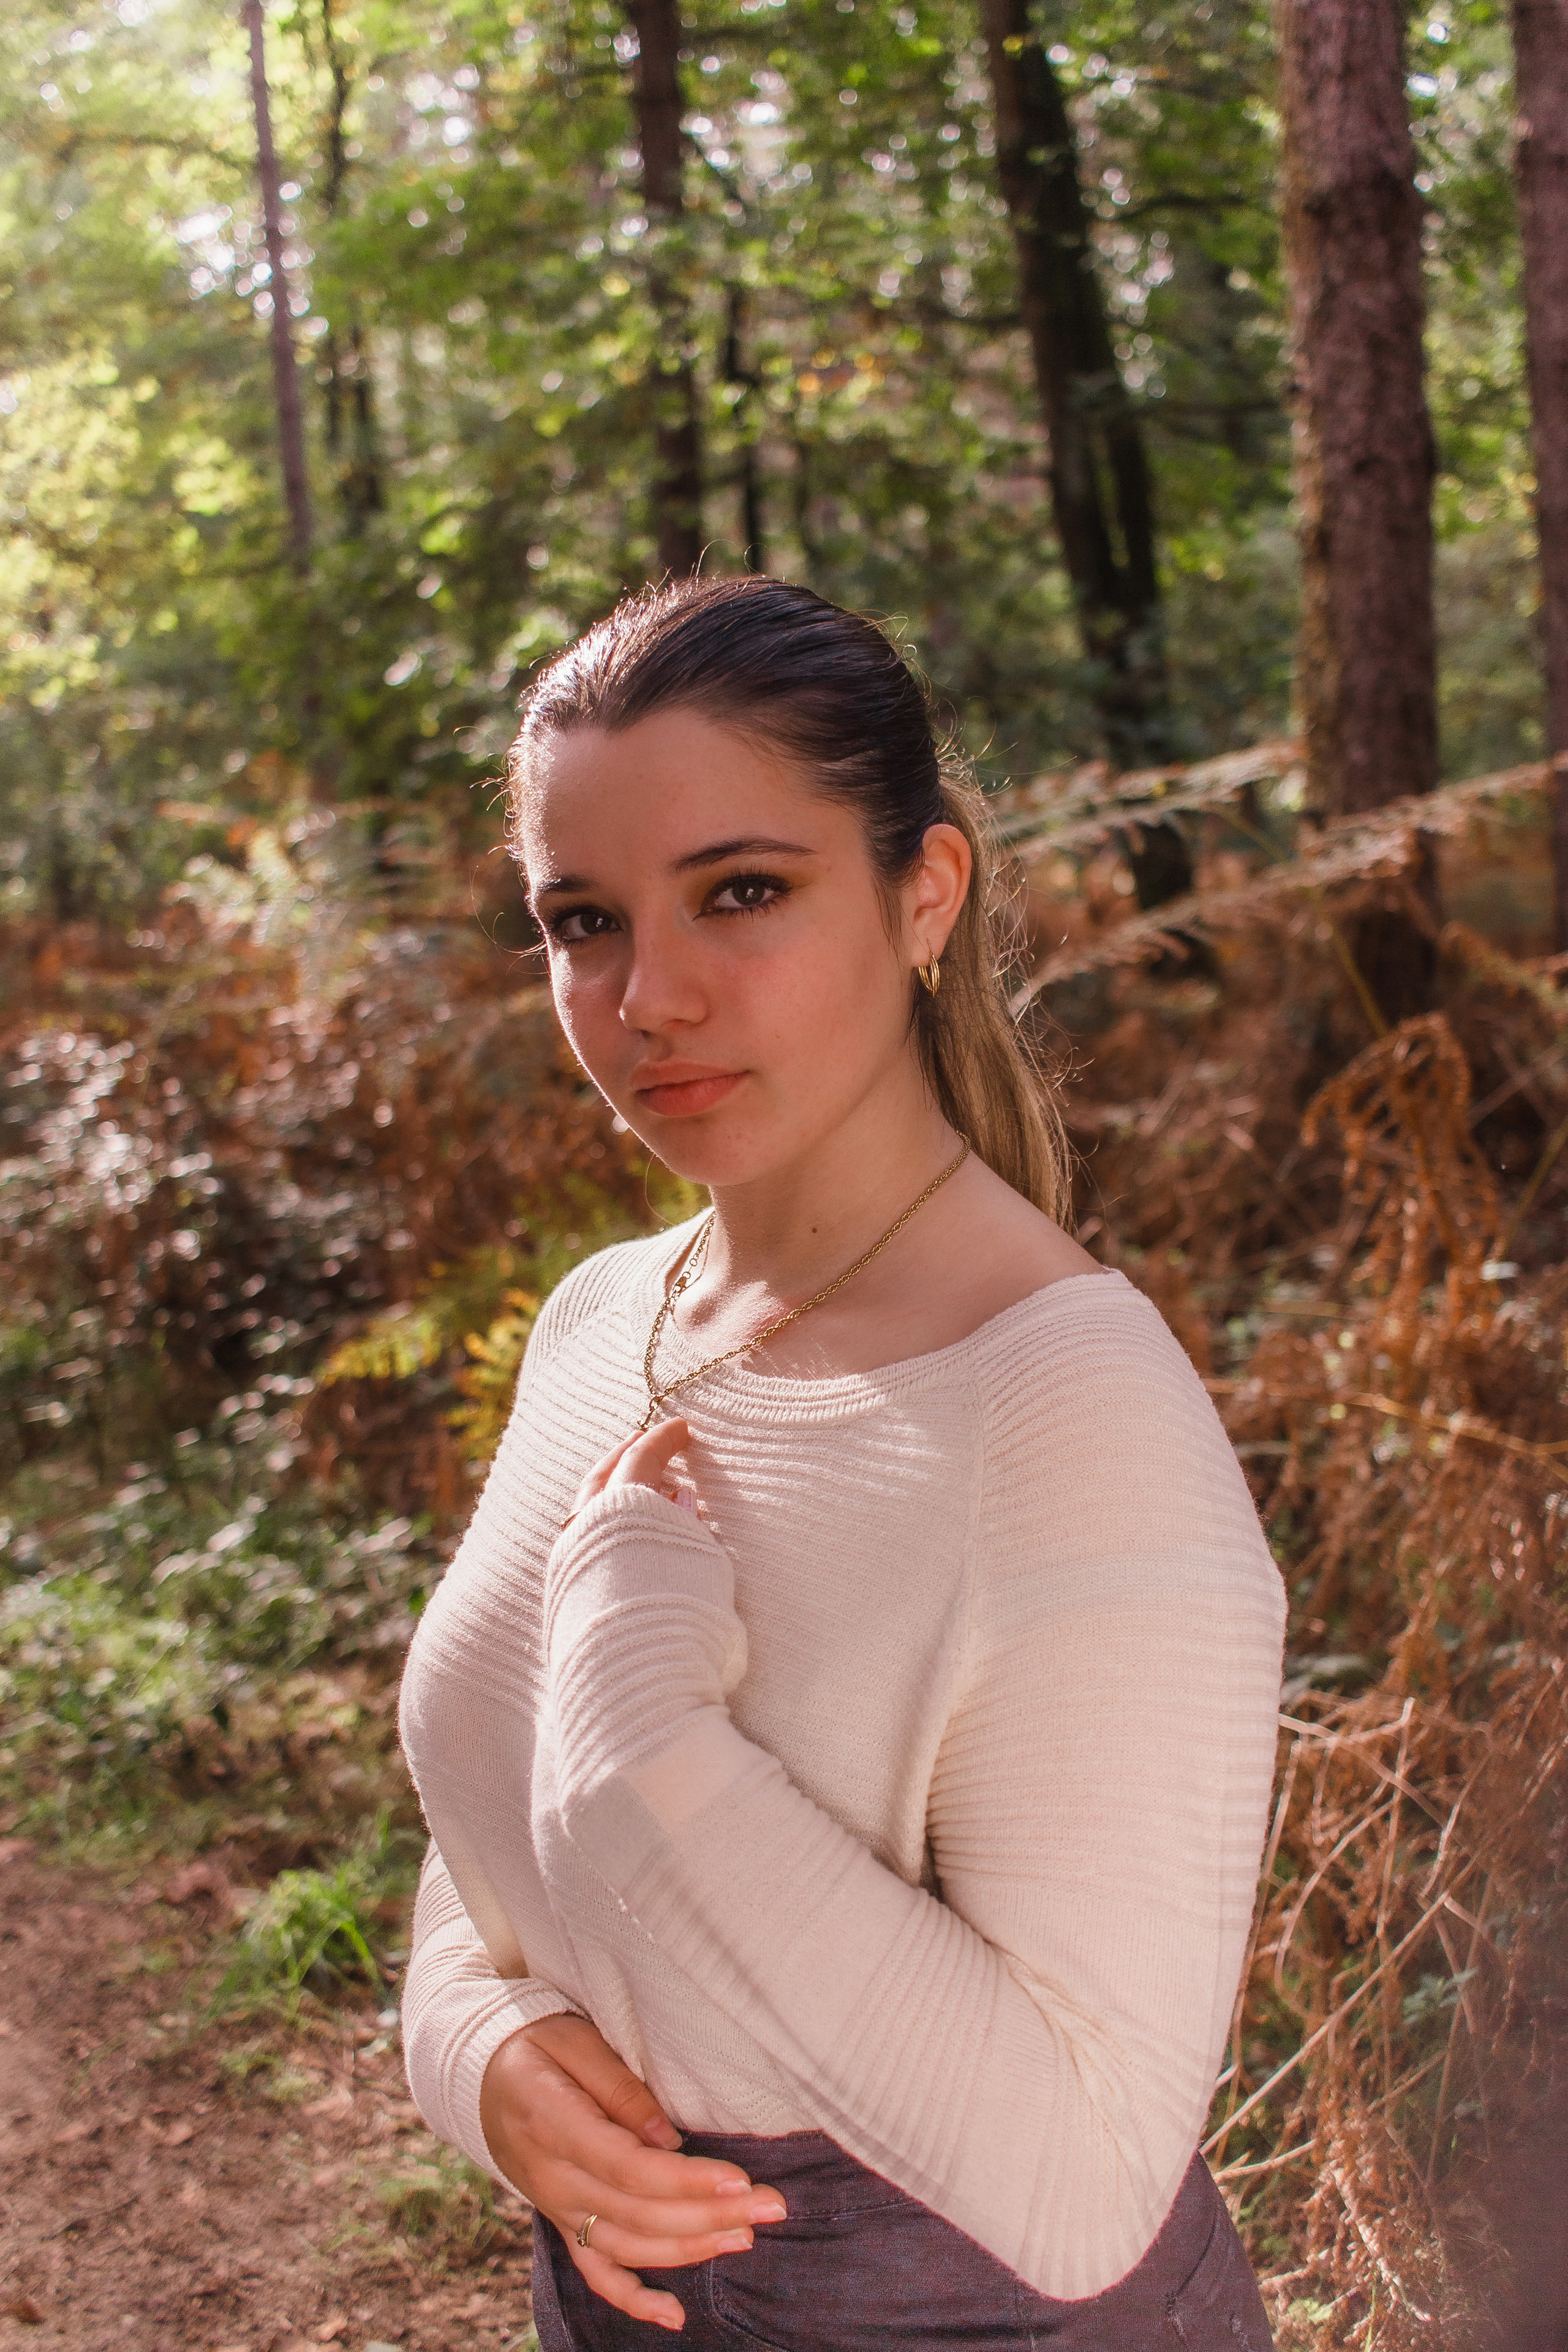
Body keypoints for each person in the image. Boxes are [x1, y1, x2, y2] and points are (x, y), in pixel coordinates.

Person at [398, 576, 1286, 2349]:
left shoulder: (1066, 1419)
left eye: (743, 892)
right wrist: (472, 2048)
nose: (649, 996)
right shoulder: (601, 1325)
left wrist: (639, 1731)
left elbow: (1083, 2181)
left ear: (925, 893)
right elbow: (484, 1819)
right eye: (583, 920)